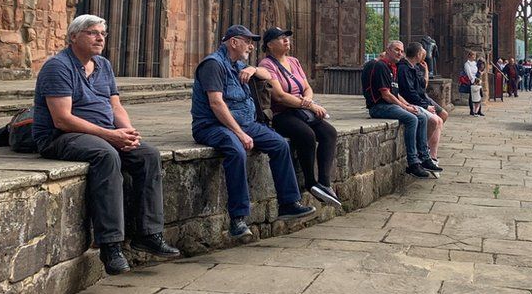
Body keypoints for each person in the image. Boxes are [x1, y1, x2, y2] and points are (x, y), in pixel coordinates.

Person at [34, 15, 180, 275]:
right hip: (61, 136)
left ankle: (148, 233)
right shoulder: (58, 67)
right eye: (92, 33)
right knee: (107, 155)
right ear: (74, 37)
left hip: (103, 133)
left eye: (103, 33)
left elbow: (115, 105)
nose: (100, 38)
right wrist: (110, 136)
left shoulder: (103, 65)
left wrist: (126, 131)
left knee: (147, 154)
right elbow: (62, 119)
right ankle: (110, 246)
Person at [192, 25, 316, 241]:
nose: (251, 46)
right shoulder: (213, 65)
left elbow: (268, 73)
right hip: (213, 125)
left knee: (280, 145)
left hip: (246, 122)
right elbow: (216, 104)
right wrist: (240, 133)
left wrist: (253, 70)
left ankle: (288, 203)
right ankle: (238, 219)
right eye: (248, 41)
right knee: (236, 151)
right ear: (233, 42)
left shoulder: (237, 64)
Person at [258, 27, 341, 209]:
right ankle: (310, 182)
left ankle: (324, 183)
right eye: (281, 38)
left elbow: (307, 87)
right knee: (307, 135)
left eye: (287, 37)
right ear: (270, 45)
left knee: (329, 132)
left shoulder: (294, 62)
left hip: (301, 110)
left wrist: (308, 99)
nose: (286, 40)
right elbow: (279, 96)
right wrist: (310, 105)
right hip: (282, 114)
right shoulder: (267, 65)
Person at [363, 40, 441, 178]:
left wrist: (409, 105)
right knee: (412, 119)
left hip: (390, 104)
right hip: (379, 107)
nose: (400, 53)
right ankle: (413, 163)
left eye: (401, 50)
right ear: (388, 50)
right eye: (396, 50)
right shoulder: (381, 66)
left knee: (421, 116)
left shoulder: (393, 67)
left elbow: (396, 93)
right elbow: (386, 95)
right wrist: (405, 107)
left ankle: (424, 157)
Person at [397, 42, 446, 166]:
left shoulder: (415, 67)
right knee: (435, 120)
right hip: (413, 101)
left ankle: (431, 155)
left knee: (441, 117)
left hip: (422, 99)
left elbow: (422, 86)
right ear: (418, 54)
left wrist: (426, 71)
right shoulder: (404, 68)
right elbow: (409, 93)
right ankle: (423, 152)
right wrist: (425, 106)